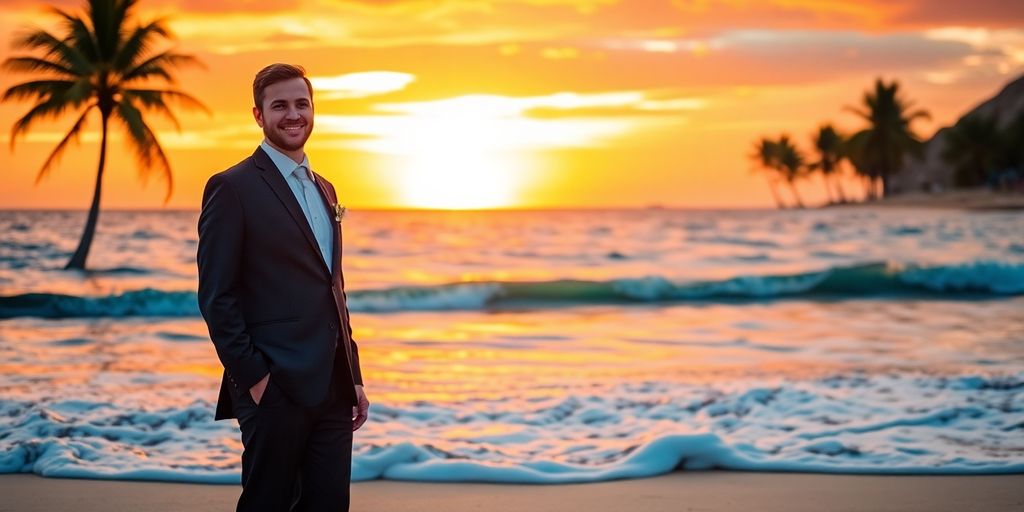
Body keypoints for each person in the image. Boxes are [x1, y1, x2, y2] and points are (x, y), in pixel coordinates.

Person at [197, 62, 370, 512]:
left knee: (329, 505)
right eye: (280, 106)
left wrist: (353, 376)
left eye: (301, 104)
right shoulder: (232, 188)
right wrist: (254, 379)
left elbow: (334, 290)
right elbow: (217, 297)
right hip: (274, 386)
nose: (293, 115)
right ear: (258, 115)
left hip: (332, 386)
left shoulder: (326, 189)